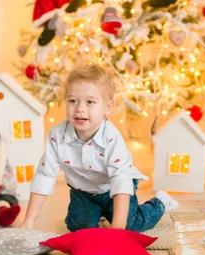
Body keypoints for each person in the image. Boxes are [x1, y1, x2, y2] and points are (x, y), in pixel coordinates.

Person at [20, 63, 178, 232]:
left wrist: (118, 228)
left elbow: (121, 180)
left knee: (131, 225)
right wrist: (29, 221)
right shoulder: (57, 136)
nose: (80, 109)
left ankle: (160, 202)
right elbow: (45, 175)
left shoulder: (111, 138)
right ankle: (96, 212)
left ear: (107, 108)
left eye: (90, 102)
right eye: (73, 101)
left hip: (115, 189)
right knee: (79, 228)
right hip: (83, 191)